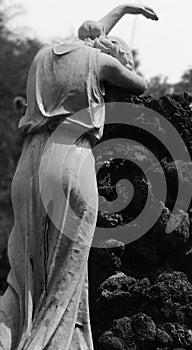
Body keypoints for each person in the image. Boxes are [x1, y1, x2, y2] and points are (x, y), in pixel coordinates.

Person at [0, 4, 158, 350]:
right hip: (69, 153)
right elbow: (139, 84)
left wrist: (122, 10)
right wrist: (116, 58)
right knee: (65, 276)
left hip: (28, 161)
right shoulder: (101, 62)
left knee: (22, 278)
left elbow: (86, 35)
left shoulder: (45, 56)